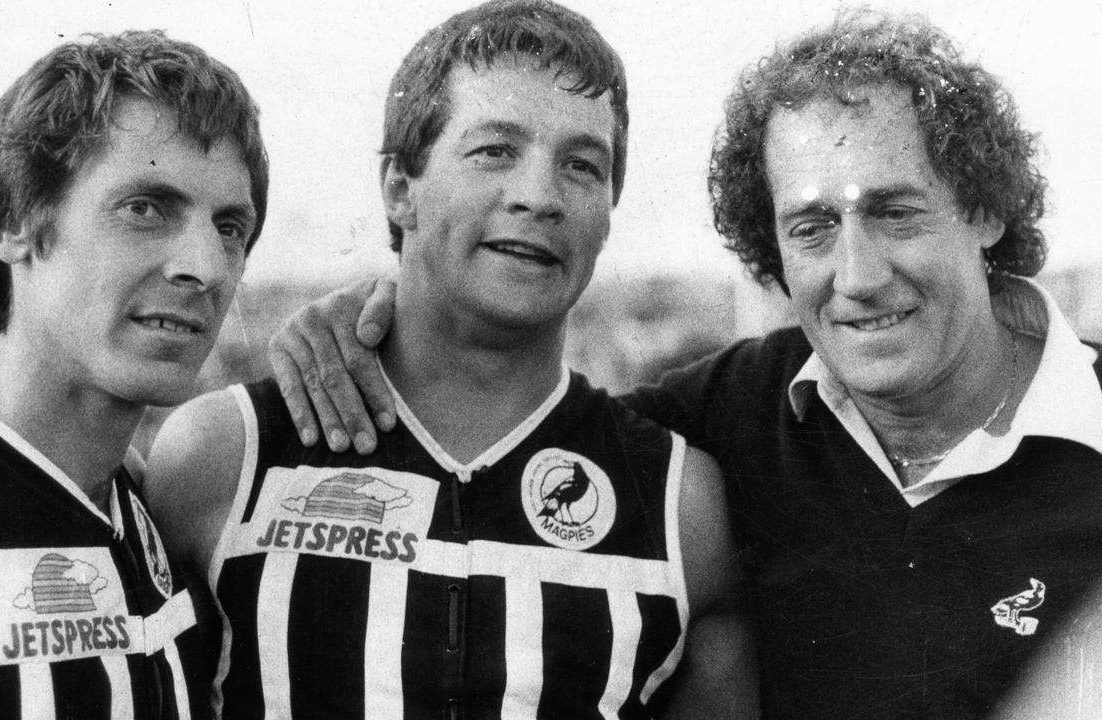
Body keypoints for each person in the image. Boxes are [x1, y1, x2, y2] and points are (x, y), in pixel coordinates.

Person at [267, 9, 1102, 720]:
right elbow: (514, 418)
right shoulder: (728, 417)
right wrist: (374, 316)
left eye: (896, 212)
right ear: (769, 247)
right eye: (812, 227)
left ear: (986, 210)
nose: (858, 276)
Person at [144, 2, 756, 719]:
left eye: (583, 166)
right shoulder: (222, 459)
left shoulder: (682, 509)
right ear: (400, 188)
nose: (539, 196)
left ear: (611, 209)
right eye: (495, 150)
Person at [0, 30, 269, 719]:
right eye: (145, 208)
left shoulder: (141, 497)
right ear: (15, 220)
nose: (205, 268)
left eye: (231, 226)